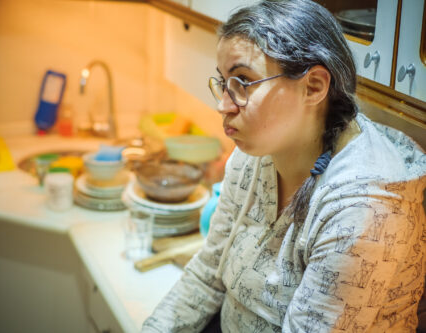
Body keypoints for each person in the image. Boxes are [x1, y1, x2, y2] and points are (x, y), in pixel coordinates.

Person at [142, 0, 426, 332]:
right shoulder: (256, 152)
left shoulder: (364, 211)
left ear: (314, 87)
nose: (222, 105)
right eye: (223, 83)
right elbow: (209, 273)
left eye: (243, 83)